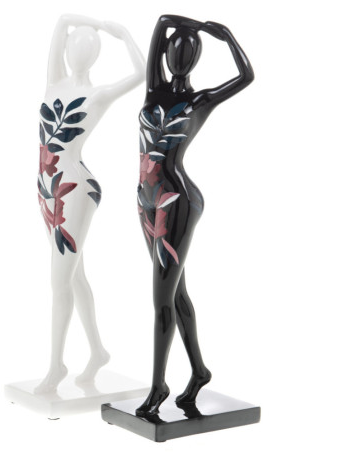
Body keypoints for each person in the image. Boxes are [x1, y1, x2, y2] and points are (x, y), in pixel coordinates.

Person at [136, 14, 254, 416]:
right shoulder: (153, 87)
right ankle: (200, 371)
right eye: (175, 48)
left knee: (161, 297)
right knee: (175, 292)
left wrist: (226, 35)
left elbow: (246, 76)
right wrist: (198, 26)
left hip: (177, 200)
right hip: (146, 199)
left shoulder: (200, 101)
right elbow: (162, 21)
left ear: (196, 58)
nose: (179, 56)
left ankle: (158, 387)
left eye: (188, 51)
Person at [35, 14, 145, 394]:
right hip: (47, 187)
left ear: (95, 54)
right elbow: (62, 20)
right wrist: (95, 23)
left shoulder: (97, 95)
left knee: (60, 280)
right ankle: (97, 351)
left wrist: (122, 32)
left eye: (87, 45)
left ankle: (56, 366)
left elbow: (141, 73)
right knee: (74, 276)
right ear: (67, 48)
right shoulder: (54, 81)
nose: (78, 49)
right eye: (74, 43)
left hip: (73, 190)